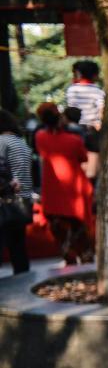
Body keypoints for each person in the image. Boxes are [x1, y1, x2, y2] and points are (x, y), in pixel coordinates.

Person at [34, 102, 94, 265]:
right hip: (75, 191)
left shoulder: (39, 137)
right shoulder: (74, 140)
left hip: (53, 192)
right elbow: (84, 158)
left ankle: (70, 259)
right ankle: (86, 260)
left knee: (61, 233)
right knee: (80, 231)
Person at [0, 109, 34, 275]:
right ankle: (23, 279)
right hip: (23, 201)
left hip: (7, 201)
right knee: (18, 247)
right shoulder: (21, 142)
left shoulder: (1, 142)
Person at [65, 60, 105, 131]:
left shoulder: (71, 89)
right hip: (91, 127)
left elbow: (70, 107)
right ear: (94, 75)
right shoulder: (98, 91)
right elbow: (101, 110)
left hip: (74, 126)